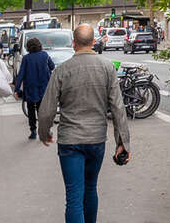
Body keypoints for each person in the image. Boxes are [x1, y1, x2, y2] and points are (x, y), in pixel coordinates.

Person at [39, 25, 131, 223]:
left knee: (74, 196)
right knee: (90, 188)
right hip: (96, 139)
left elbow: (47, 108)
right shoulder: (107, 68)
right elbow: (118, 107)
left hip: (70, 141)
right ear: (93, 42)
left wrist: (44, 132)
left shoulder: (61, 70)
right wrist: (122, 142)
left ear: (73, 43)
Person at [16, 36, 57, 139]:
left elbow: (21, 74)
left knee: (30, 110)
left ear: (28, 47)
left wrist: (16, 89)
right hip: (43, 87)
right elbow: (52, 66)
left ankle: (33, 131)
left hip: (30, 88)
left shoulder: (26, 58)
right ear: (39, 45)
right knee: (42, 111)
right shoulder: (44, 55)